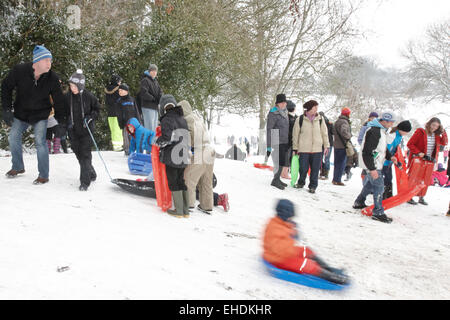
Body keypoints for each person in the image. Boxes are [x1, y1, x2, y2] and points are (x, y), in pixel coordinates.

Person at [1, 45, 64, 184]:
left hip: (41, 115)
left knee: (40, 142)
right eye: (47, 60)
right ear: (37, 61)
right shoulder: (19, 71)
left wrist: (60, 122)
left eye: (50, 60)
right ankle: (17, 167)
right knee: (13, 137)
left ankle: (43, 175)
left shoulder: (52, 77)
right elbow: (6, 86)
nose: (49, 63)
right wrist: (6, 109)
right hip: (21, 113)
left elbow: (59, 100)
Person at [263, 199, 349, 285]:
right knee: (306, 264)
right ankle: (333, 277)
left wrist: (292, 228)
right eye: (290, 217)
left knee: (306, 251)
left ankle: (329, 269)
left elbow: (286, 238)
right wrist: (292, 237)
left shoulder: (282, 222)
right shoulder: (274, 228)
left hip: (287, 252)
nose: (291, 219)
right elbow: (280, 249)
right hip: (278, 259)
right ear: (284, 214)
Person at [353, 111, 398, 223]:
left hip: (374, 162)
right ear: (385, 121)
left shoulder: (380, 130)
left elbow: (381, 147)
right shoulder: (375, 131)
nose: (392, 125)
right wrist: (372, 169)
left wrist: (390, 157)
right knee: (379, 187)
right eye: (391, 122)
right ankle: (378, 212)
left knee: (370, 185)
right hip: (372, 164)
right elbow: (368, 151)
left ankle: (359, 201)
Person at [64, 69, 100, 191]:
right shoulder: (68, 96)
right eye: (71, 85)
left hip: (86, 131)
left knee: (85, 154)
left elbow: (97, 109)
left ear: (80, 86)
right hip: (73, 131)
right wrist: (65, 124)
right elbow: (63, 112)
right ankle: (91, 172)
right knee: (78, 153)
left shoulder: (88, 96)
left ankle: (84, 182)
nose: (72, 88)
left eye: (74, 86)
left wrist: (91, 117)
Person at [155, 94, 190, 218]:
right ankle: (186, 210)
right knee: (181, 181)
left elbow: (167, 138)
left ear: (163, 107)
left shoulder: (167, 119)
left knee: (173, 182)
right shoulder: (182, 118)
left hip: (172, 155)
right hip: (183, 155)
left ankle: (178, 211)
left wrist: (157, 141)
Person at [179, 100, 216, 213]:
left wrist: (186, 152)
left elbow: (188, 138)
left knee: (189, 177)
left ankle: (188, 204)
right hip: (210, 150)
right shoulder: (197, 117)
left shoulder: (186, 120)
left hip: (200, 151)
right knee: (206, 180)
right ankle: (207, 206)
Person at [406, 117, 448, 205]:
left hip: (430, 160)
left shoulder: (436, 136)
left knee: (425, 178)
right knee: (414, 177)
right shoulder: (421, 132)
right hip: (419, 158)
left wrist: (443, 132)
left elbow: (444, 143)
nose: (434, 128)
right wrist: (419, 153)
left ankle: (421, 196)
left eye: (437, 126)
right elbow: (410, 144)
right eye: (433, 125)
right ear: (429, 124)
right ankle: (409, 196)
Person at [291, 100, 329, 193]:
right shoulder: (300, 119)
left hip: (317, 149)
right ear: (309, 108)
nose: (316, 109)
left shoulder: (320, 119)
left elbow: (324, 133)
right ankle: (301, 182)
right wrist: (295, 148)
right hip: (304, 149)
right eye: (315, 107)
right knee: (303, 168)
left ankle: (313, 186)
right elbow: (295, 134)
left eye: (317, 107)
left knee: (315, 170)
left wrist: (326, 146)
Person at [381, 120, 412, 199]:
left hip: (389, 160)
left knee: (389, 178)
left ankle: (388, 195)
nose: (406, 133)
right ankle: (383, 195)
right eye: (406, 131)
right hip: (384, 160)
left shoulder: (399, 136)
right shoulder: (392, 135)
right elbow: (386, 148)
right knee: (385, 178)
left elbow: (395, 148)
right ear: (401, 129)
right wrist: (390, 157)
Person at [266, 94, 290, 190]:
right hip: (276, 139)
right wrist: (269, 145)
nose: (285, 104)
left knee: (282, 161)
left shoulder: (285, 112)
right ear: (278, 103)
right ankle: (275, 180)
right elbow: (269, 130)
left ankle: (277, 179)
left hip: (284, 140)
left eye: (285, 102)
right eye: (283, 102)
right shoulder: (273, 113)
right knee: (278, 161)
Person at [116, 83, 141, 156]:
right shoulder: (119, 101)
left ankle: (134, 150)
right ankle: (127, 151)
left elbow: (136, 111)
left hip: (133, 123)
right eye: (119, 90)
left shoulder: (132, 100)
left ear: (126, 91)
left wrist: (138, 121)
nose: (120, 92)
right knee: (126, 137)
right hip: (125, 123)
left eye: (121, 90)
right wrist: (120, 123)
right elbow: (119, 114)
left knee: (133, 137)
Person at [138, 64, 163, 132]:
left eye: (156, 71)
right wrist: (153, 98)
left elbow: (160, 92)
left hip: (155, 107)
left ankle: (153, 142)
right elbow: (143, 93)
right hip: (147, 106)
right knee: (149, 127)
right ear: (149, 71)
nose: (154, 73)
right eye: (153, 71)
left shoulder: (155, 82)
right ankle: (148, 142)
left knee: (155, 127)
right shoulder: (145, 80)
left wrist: (160, 98)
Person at [332, 107, 352, 186]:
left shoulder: (337, 121)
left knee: (337, 163)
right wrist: (349, 136)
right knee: (341, 163)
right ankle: (338, 180)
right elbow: (344, 132)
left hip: (336, 144)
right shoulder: (344, 122)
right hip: (342, 145)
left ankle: (335, 179)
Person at [104, 74, 123, 151]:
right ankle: (118, 146)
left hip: (110, 113)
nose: (120, 83)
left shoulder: (107, 90)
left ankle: (115, 145)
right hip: (117, 112)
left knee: (113, 130)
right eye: (119, 81)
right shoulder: (118, 90)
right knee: (118, 130)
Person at [283, 100, 297, 179]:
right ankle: (284, 173)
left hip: (291, 140)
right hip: (287, 140)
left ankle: (285, 172)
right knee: (286, 157)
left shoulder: (294, 117)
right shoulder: (287, 117)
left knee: (289, 157)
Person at [319, 111, 334, 180]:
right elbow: (333, 132)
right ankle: (326, 174)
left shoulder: (318, 122)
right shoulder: (329, 123)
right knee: (327, 159)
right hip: (329, 143)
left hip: (321, 143)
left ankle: (322, 172)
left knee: (320, 158)